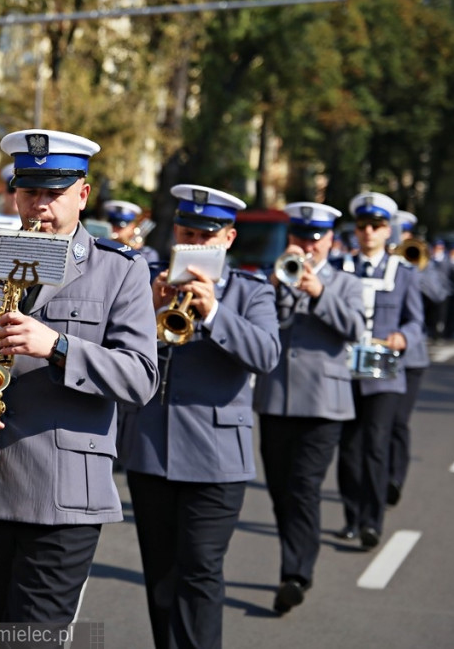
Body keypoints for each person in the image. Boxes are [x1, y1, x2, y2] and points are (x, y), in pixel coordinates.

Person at [0, 129, 159, 639]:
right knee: (8, 631)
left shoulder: (121, 269)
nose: (39, 206)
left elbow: (140, 377)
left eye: (54, 193)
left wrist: (58, 347)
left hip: (66, 490)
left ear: (83, 195)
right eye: (29, 192)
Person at [120, 185, 280, 649]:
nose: (195, 245)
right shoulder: (146, 280)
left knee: (201, 570)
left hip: (216, 457)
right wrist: (150, 305)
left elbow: (267, 355)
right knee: (161, 575)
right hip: (151, 446)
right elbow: (114, 347)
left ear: (228, 240)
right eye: (187, 233)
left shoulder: (250, 291)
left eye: (206, 237)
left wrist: (213, 313)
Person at [253, 202, 364, 614]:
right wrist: (277, 286)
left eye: (315, 240)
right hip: (276, 400)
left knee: (304, 488)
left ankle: (295, 573)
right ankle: (295, 561)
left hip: (323, 404)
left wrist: (319, 294)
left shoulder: (346, 283)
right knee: (281, 491)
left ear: (330, 242)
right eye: (300, 238)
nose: (307, 247)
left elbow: (355, 328)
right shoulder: (275, 276)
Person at [334, 193, 422, 550]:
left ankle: (373, 520)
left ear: (389, 231)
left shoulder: (403, 272)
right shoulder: (341, 268)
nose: (368, 232)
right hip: (344, 370)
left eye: (376, 226)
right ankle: (352, 517)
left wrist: (403, 337)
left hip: (384, 372)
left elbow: (416, 320)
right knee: (349, 448)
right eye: (362, 226)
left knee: (376, 446)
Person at [385, 211, 442, 506]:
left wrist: (411, 270)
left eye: (404, 231)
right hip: (379, 354)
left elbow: (439, 293)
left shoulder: (420, 262)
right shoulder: (379, 258)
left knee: (397, 421)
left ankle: (394, 478)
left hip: (412, 359)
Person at [104, 199, 160, 263]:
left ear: (132, 227)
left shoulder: (146, 253)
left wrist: (135, 249)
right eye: (113, 225)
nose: (114, 229)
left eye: (120, 227)